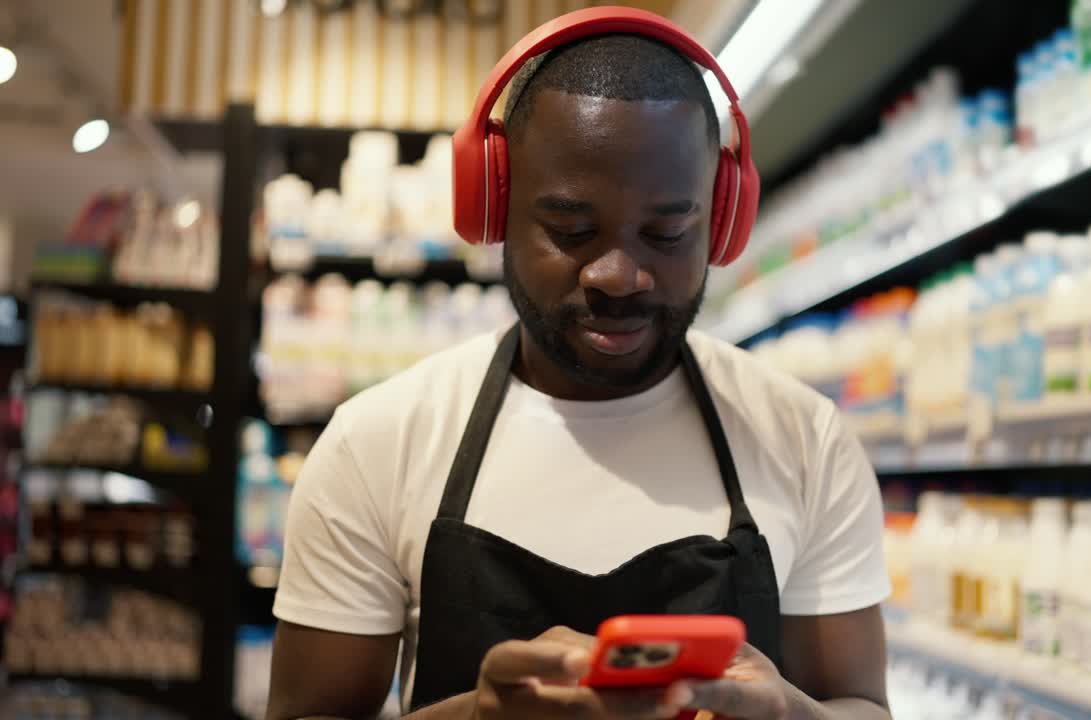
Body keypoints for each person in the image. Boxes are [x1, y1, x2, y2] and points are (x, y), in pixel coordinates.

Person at [266, 8, 891, 720]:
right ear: (493, 206)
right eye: (570, 230)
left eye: (667, 232)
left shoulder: (804, 440)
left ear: (721, 222)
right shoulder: (375, 444)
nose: (619, 275)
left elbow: (861, 704)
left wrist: (792, 715)